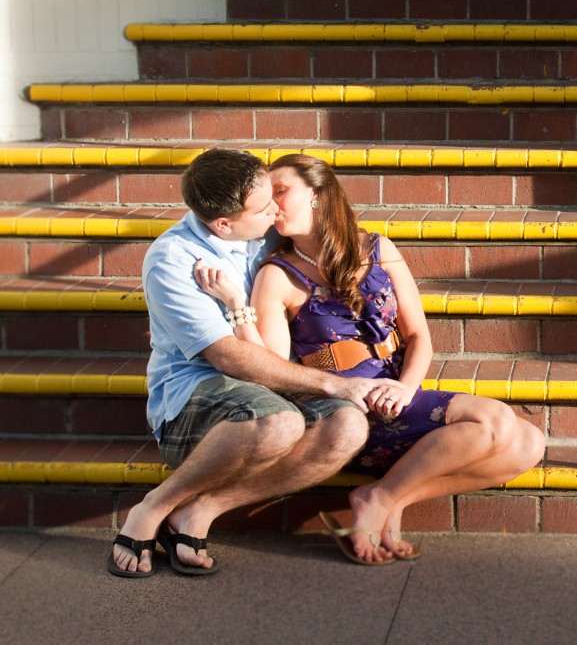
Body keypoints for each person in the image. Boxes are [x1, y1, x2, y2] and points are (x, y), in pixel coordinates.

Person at [194, 153, 545, 564]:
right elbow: (270, 365)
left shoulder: (379, 248)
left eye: (282, 191)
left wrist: (406, 388)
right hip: (348, 408)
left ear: (317, 194)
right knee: (496, 421)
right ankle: (378, 500)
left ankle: (387, 499)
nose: (272, 205)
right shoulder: (278, 275)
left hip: (398, 394)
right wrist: (237, 306)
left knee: (529, 444)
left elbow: (419, 336)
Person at [109, 148, 394, 578]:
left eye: (275, 196)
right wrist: (334, 383)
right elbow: (227, 356)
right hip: (195, 395)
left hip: (270, 383)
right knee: (279, 421)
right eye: (264, 207)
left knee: (349, 426)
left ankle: (201, 511)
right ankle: (152, 507)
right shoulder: (174, 259)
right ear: (224, 224)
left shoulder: (264, 234)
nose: (276, 210)